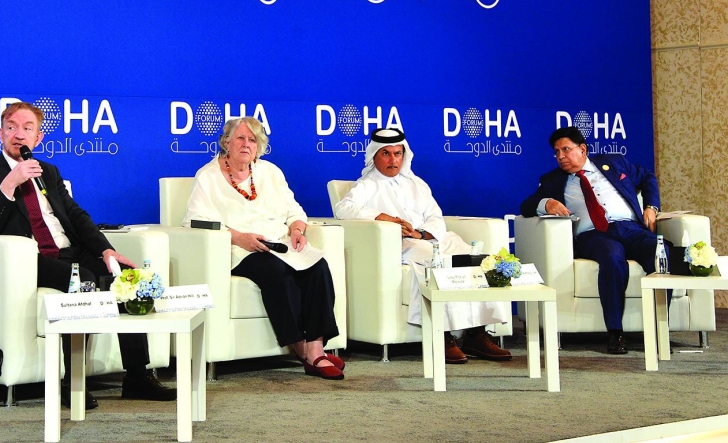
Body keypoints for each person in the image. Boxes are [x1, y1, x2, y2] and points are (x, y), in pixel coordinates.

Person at [0, 102, 175, 408]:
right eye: (11, 127)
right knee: (85, 281)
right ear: (0, 133)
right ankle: (71, 381)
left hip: (68, 251)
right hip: (30, 260)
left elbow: (76, 216)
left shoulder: (48, 172)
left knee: (123, 278)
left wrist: (106, 251)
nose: (19, 135)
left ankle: (137, 376)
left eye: (27, 129)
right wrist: (11, 182)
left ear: (38, 138)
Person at [183, 117, 345, 380]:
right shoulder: (208, 177)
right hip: (241, 250)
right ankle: (300, 348)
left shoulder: (270, 172)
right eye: (240, 138)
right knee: (277, 273)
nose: (246, 144)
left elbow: (295, 210)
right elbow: (196, 220)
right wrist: (238, 237)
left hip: (281, 244)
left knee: (318, 266)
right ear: (226, 142)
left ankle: (316, 347)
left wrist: (296, 230)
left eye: (252, 140)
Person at [334, 128, 512, 364]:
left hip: (427, 238)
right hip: (401, 245)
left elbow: (436, 217)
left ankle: (476, 333)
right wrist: (385, 218)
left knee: (469, 256)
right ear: (374, 156)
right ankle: (443, 334)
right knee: (433, 259)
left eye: (398, 154)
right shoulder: (367, 185)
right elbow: (343, 209)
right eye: (386, 154)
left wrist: (421, 232)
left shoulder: (417, 184)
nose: (393, 160)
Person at [520, 126, 666, 355]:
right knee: (612, 257)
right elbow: (526, 206)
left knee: (660, 252)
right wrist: (547, 203)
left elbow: (647, 176)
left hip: (631, 228)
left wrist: (651, 207)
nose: (561, 156)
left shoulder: (615, 162)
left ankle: (659, 325)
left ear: (583, 149)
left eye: (566, 150)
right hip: (593, 235)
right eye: (556, 152)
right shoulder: (552, 180)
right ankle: (615, 332)